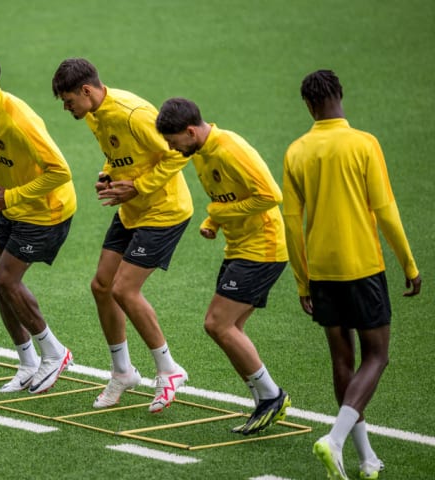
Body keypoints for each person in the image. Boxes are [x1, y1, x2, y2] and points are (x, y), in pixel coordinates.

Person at [283, 70, 421, 480]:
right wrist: (409, 264)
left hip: (322, 272)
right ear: (340, 96)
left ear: (308, 105)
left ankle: (366, 459)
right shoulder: (364, 143)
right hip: (362, 267)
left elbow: (292, 222)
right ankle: (336, 440)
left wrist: (302, 280)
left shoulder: (296, 151)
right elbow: (386, 212)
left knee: (342, 360)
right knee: (377, 356)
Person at [52, 58, 193, 413]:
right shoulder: (94, 114)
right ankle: (123, 372)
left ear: (86, 91)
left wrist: (138, 187)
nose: (67, 108)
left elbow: (178, 154)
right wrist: (108, 173)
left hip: (164, 210)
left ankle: (168, 369)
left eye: (69, 101)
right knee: (102, 286)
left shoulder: (133, 114)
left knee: (124, 289)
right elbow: (120, 153)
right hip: (132, 209)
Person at [156, 97, 291, 434]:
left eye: (174, 142)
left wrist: (219, 214)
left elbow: (270, 195)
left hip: (263, 248)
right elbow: (224, 197)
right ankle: (263, 399)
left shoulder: (231, 149)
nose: (173, 149)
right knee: (230, 330)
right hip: (239, 248)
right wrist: (212, 222)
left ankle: (272, 396)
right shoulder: (199, 153)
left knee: (218, 324)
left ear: (190, 131)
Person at [0, 54, 77, 395]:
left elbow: (60, 171)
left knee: (5, 279)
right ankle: (26, 362)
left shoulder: (20, 119)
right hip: (11, 204)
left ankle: (54, 353)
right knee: (1, 284)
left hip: (45, 209)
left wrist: (12, 196)